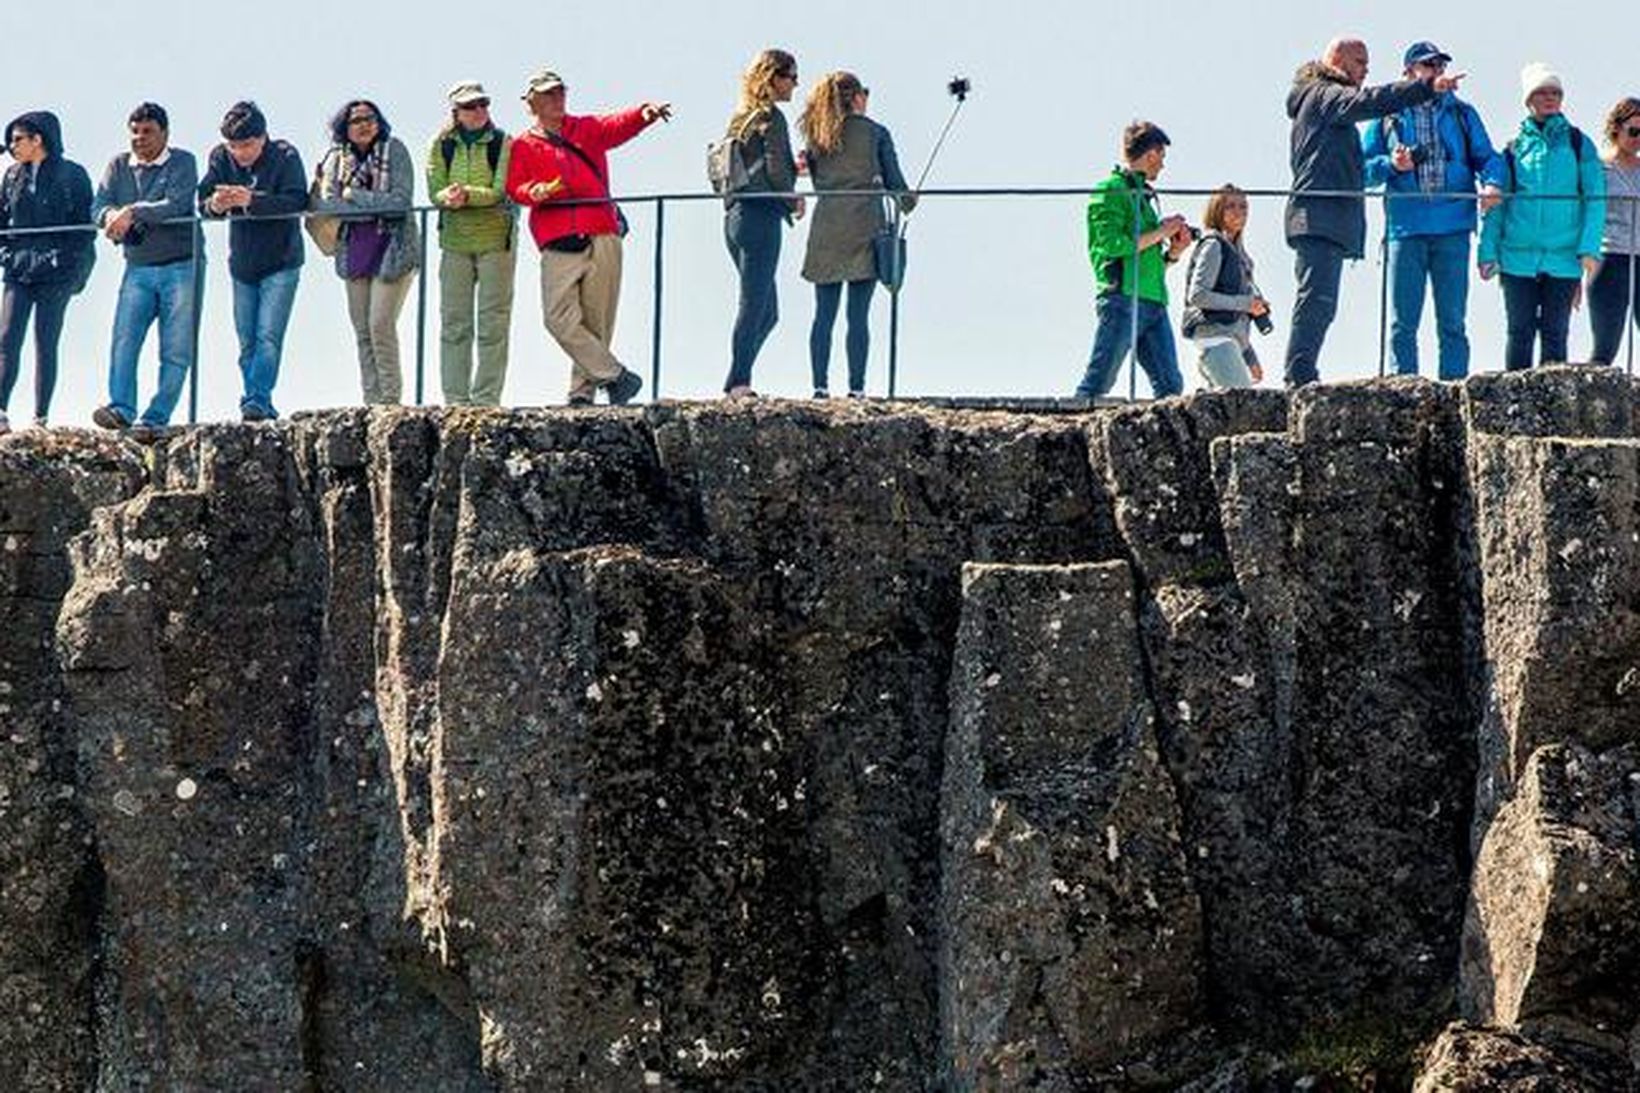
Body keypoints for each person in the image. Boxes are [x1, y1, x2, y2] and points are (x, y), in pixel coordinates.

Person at [1284, 37, 1463, 386]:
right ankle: (1299, 375)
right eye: (1360, 62)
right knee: (1316, 301)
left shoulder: (1321, 99)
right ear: (1336, 61)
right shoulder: (1324, 94)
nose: (1366, 70)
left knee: (1321, 302)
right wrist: (1423, 87)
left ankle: (1302, 372)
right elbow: (1370, 102)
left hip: (1323, 217)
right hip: (1318, 216)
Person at [505, 68, 667, 406]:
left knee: (598, 318)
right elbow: (515, 187)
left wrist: (643, 114)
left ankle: (582, 392)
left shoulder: (585, 129)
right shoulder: (523, 144)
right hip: (558, 236)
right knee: (558, 318)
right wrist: (536, 191)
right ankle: (615, 375)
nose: (557, 98)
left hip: (602, 231)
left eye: (561, 91)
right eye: (549, 93)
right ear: (532, 102)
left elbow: (616, 125)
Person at [1362, 42, 1504, 381]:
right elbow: (1363, 170)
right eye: (1427, 65)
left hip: (1453, 226)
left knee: (1453, 320)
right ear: (1408, 72)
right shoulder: (1388, 116)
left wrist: (1493, 184)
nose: (1436, 70)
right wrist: (1391, 165)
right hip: (1405, 228)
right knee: (1402, 321)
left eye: (1439, 65)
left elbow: (1489, 157)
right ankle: (1402, 388)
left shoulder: (1463, 113)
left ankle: (1455, 388)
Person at [1478, 64, 1606, 370]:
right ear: (1528, 99)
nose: (1550, 98)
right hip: (1516, 256)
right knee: (1519, 331)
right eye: (1542, 92)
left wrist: (1589, 249)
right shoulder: (1512, 149)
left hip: (1563, 256)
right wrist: (1487, 251)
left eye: (1555, 92)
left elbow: (1595, 199)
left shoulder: (1579, 144)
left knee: (1555, 333)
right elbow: (1497, 206)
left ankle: (1554, 409)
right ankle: (1514, 405)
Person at [797, 72, 915, 400]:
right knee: (858, 316)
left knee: (823, 314)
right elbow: (897, 187)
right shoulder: (876, 133)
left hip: (827, 228)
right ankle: (856, 388)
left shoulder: (818, 136)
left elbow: (819, 183)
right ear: (856, 97)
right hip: (865, 225)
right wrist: (910, 200)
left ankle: (819, 387)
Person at [91, 103, 203, 433]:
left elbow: (177, 203)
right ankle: (121, 408)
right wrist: (109, 216)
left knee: (176, 348)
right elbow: (98, 205)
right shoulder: (117, 165)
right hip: (137, 266)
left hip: (182, 264)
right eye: (135, 131)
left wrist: (132, 212)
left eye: (147, 131)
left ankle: (156, 417)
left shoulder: (183, 161)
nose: (139, 138)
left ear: (164, 133)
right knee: (124, 339)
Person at [198, 101, 307, 422]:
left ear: (263, 138)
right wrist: (216, 204)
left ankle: (256, 398)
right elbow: (201, 203)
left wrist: (252, 200)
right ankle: (259, 402)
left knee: (268, 336)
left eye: (247, 145)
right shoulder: (220, 158)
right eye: (234, 146)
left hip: (282, 260)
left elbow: (298, 200)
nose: (240, 153)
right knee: (246, 340)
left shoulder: (285, 155)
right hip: (242, 263)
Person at [313, 99, 420, 406]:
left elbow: (400, 202)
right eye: (355, 120)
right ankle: (372, 398)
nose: (363, 125)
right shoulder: (337, 158)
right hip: (355, 250)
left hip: (393, 248)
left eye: (369, 118)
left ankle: (389, 397)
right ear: (344, 128)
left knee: (380, 324)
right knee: (362, 330)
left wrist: (355, 196)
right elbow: (329, 205)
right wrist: (373, 206)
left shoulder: (394, 150)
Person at [1073, 120, 1190, 400]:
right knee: (1099, 381)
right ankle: (1065, 438)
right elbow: (1112, 246)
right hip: (1122, 299)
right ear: (1151, 154)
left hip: (1153, 301)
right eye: (1161, 157)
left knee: (1170, 385)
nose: (1163, 165)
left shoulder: (1144, 198)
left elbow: (1144, 260)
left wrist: (1173, 252)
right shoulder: (1110, 190)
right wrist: (1162, 231)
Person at [0, 111, 94, 434]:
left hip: (57, 271)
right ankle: (0, 410)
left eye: (17, 139)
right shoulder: (12, 176)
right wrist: (7, 256)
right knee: (8, 337)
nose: (11, 147)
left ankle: (40, 416)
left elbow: (85, 225)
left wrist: (66, 261)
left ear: (38, 139)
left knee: (46, 340)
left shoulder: (73, 175)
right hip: (19, 268)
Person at [720, 48, 803, 399]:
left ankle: (736, 379)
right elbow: (774, 169)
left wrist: (790, 172)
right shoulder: (772, 116)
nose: (796, 85)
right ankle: (738, 384)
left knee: (768, 311)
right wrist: (792, 197)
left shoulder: (742, 116)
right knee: (755, 304)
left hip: (735, 216)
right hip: (761, 216)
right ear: (774, 77)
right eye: (792, 77)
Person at [428, 81, 515, 407]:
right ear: (456, 112)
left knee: (493, 322)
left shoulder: (502, 141)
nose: (478, 111)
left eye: (482, 104)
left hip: (496, 240)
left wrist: (465, 194)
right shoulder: (441, 144)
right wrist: (446, 196)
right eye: (470, 106)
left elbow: (499, 189)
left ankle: (486, 397)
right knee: (454, 322)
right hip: (454, 242)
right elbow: (434, 188)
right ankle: (455, 398)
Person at [1181, 185, 1269, 388]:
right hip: (1216, 341)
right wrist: (1246, 304)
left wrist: (1250, 357)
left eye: (1244, 207)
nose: (1239, 212)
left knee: (1232, 414)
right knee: (1245, 411)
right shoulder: (1214, 245)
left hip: (1226, 343)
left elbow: (1237, 317)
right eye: (1231, 206)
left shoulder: (1239, 254)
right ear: (1217, 210)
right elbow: (1198, 295)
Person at [1588, 97, 1640, 366]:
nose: (1637, 138)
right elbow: (1584, 216)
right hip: (1610, 258)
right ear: (1616, 129)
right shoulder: (1598, 169)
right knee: (1606, 346)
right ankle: (1593, 405)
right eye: (1634, 131)